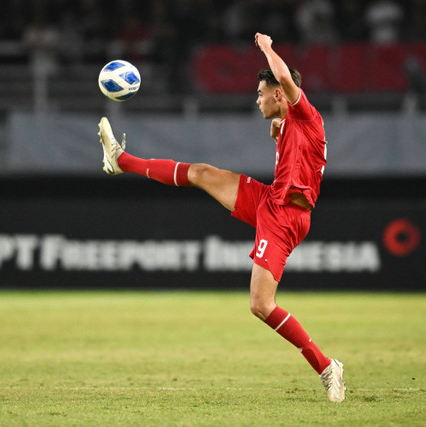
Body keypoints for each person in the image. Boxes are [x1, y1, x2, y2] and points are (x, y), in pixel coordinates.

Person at [97, 33, 345, 402]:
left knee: (261, 305)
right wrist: (278, 135)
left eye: (261, 92)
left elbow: (288, 83)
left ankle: (327, 367)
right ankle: (122, 161)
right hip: (270, 201)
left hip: (286, 218)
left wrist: (267, 48)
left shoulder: (305, 115)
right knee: (201, 172)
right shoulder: (288, 126)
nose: (256, 98)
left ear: (279, 93)